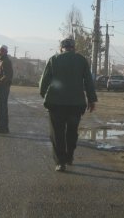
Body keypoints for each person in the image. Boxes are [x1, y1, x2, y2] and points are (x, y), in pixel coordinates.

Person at [39, 38, 97, 172]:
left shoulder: (53, 59)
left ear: (61, 48)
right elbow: (89, 81)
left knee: (57, 133)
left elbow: (43, 83)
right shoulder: (81, 60)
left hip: (56, 104)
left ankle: (60, 162)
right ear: (74, 48)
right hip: (76, 104)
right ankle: (69, 156)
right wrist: (92, 100)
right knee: (72, 131)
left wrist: (44, 95)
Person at [0, 45, 13, 134]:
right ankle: (4, 127)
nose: (0, 52)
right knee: (0, 107)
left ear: (6, 52)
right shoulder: (0, 61)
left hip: (3, 89)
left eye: (3, 50)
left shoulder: (6, 62)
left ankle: (2, 127)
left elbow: (7, 76)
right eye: (0, 50)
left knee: (1, 108)